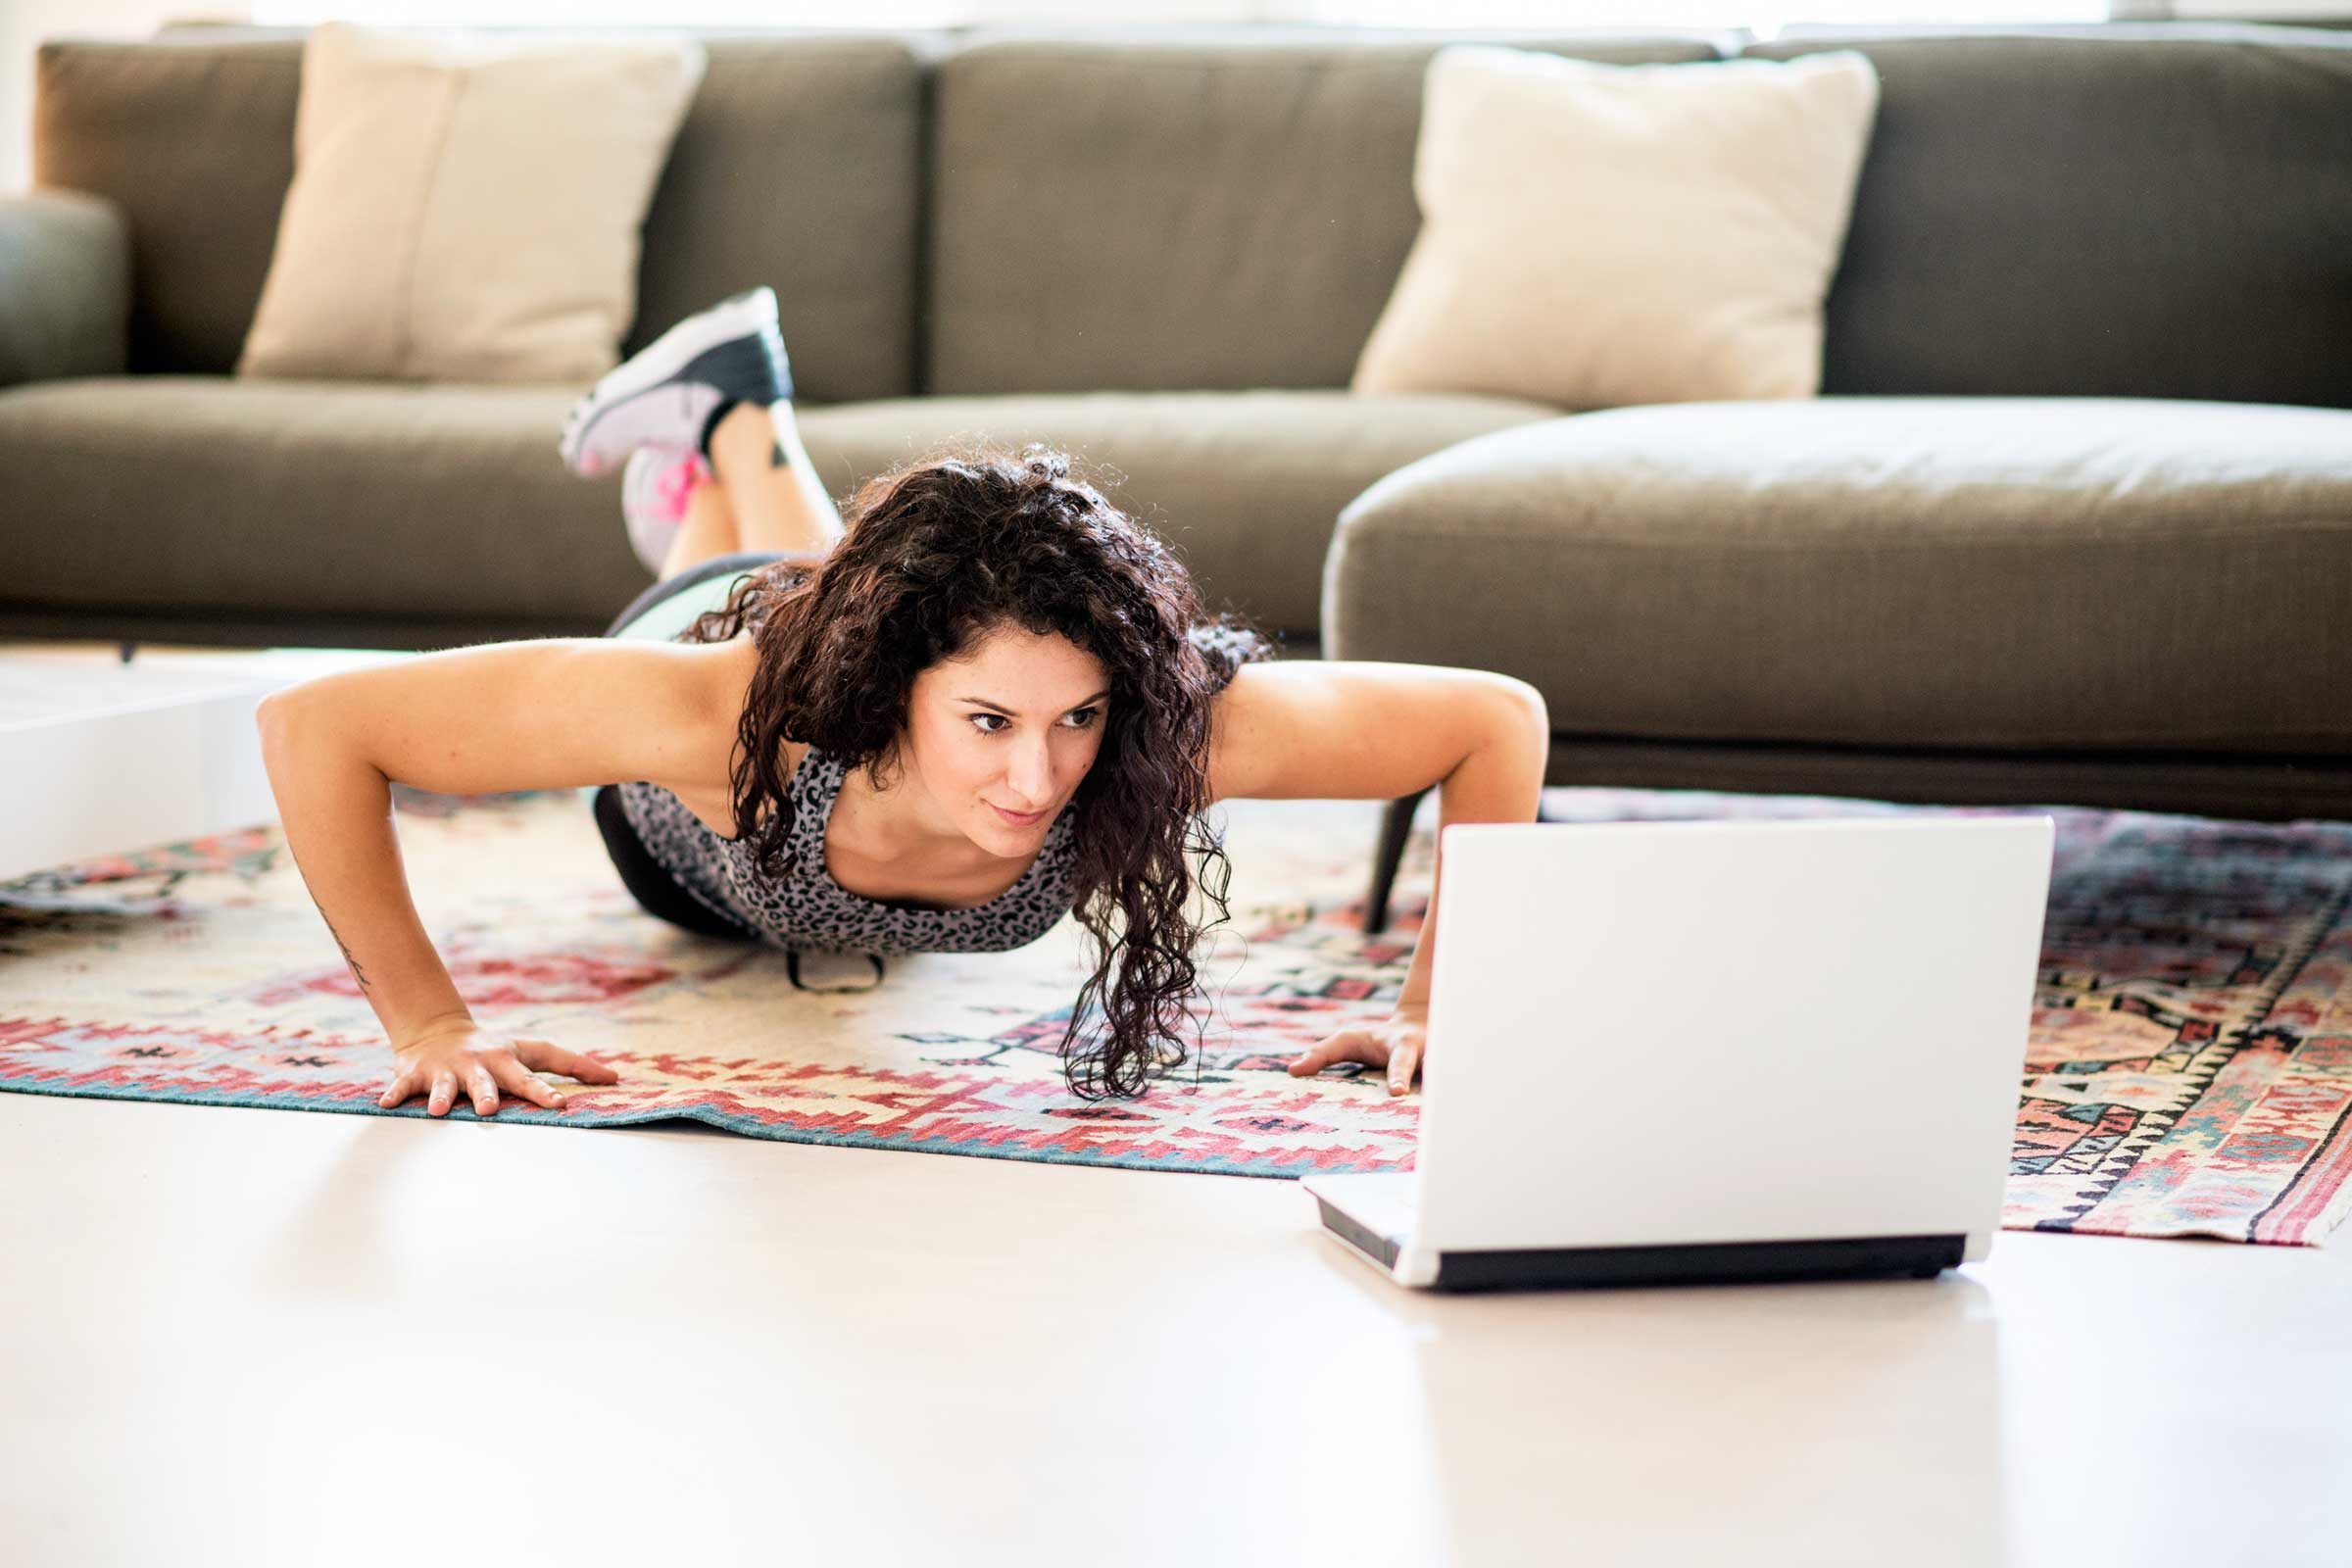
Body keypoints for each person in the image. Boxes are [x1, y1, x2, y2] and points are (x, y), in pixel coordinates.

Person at [262, 290, 1552, 1121]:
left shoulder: (1167, 723)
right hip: (696, 768)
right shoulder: (723, 721)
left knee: (860, 583)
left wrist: (1441, 1001)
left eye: (1078, 721)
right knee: (781, 589)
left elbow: (1492, 721)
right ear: (896, 695)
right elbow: (320, 727)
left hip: (853, 626)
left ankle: (730, 413)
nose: (1039, 781)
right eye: (989, 724)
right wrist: (432, 1024)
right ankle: (738, 423)